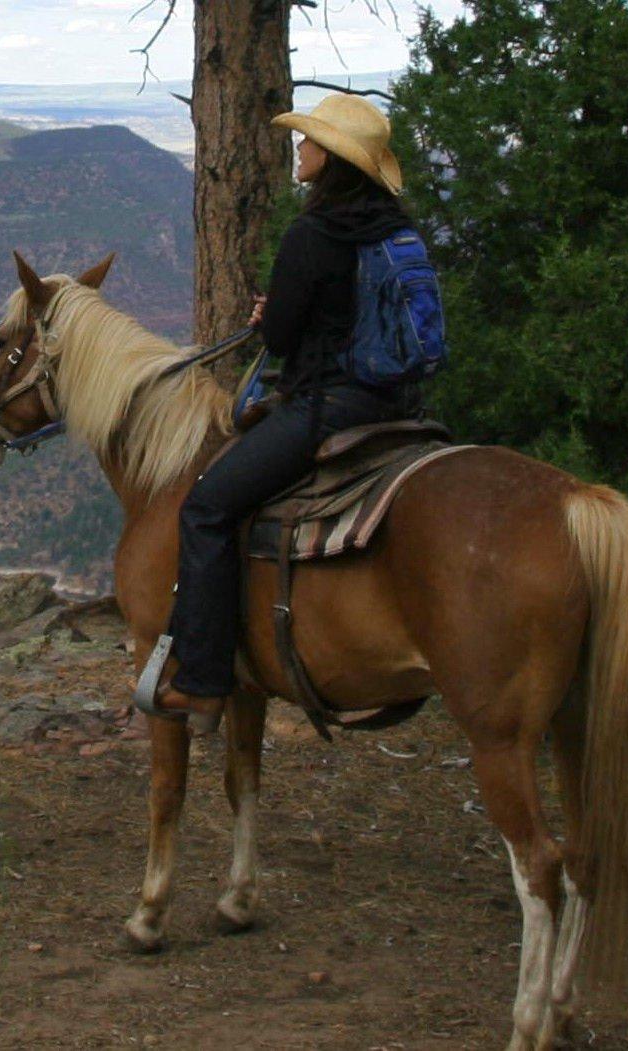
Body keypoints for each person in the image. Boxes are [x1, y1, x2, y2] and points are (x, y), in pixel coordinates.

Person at [151, 93, 426, 730]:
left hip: (329, 407)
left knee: (206, 507)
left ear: (333, 159)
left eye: (311, 141)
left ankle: (203, 681)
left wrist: (271, 314)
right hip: (398, 405)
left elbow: (279, 337)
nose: (300, 147)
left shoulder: (314, 232)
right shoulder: (395, 229)